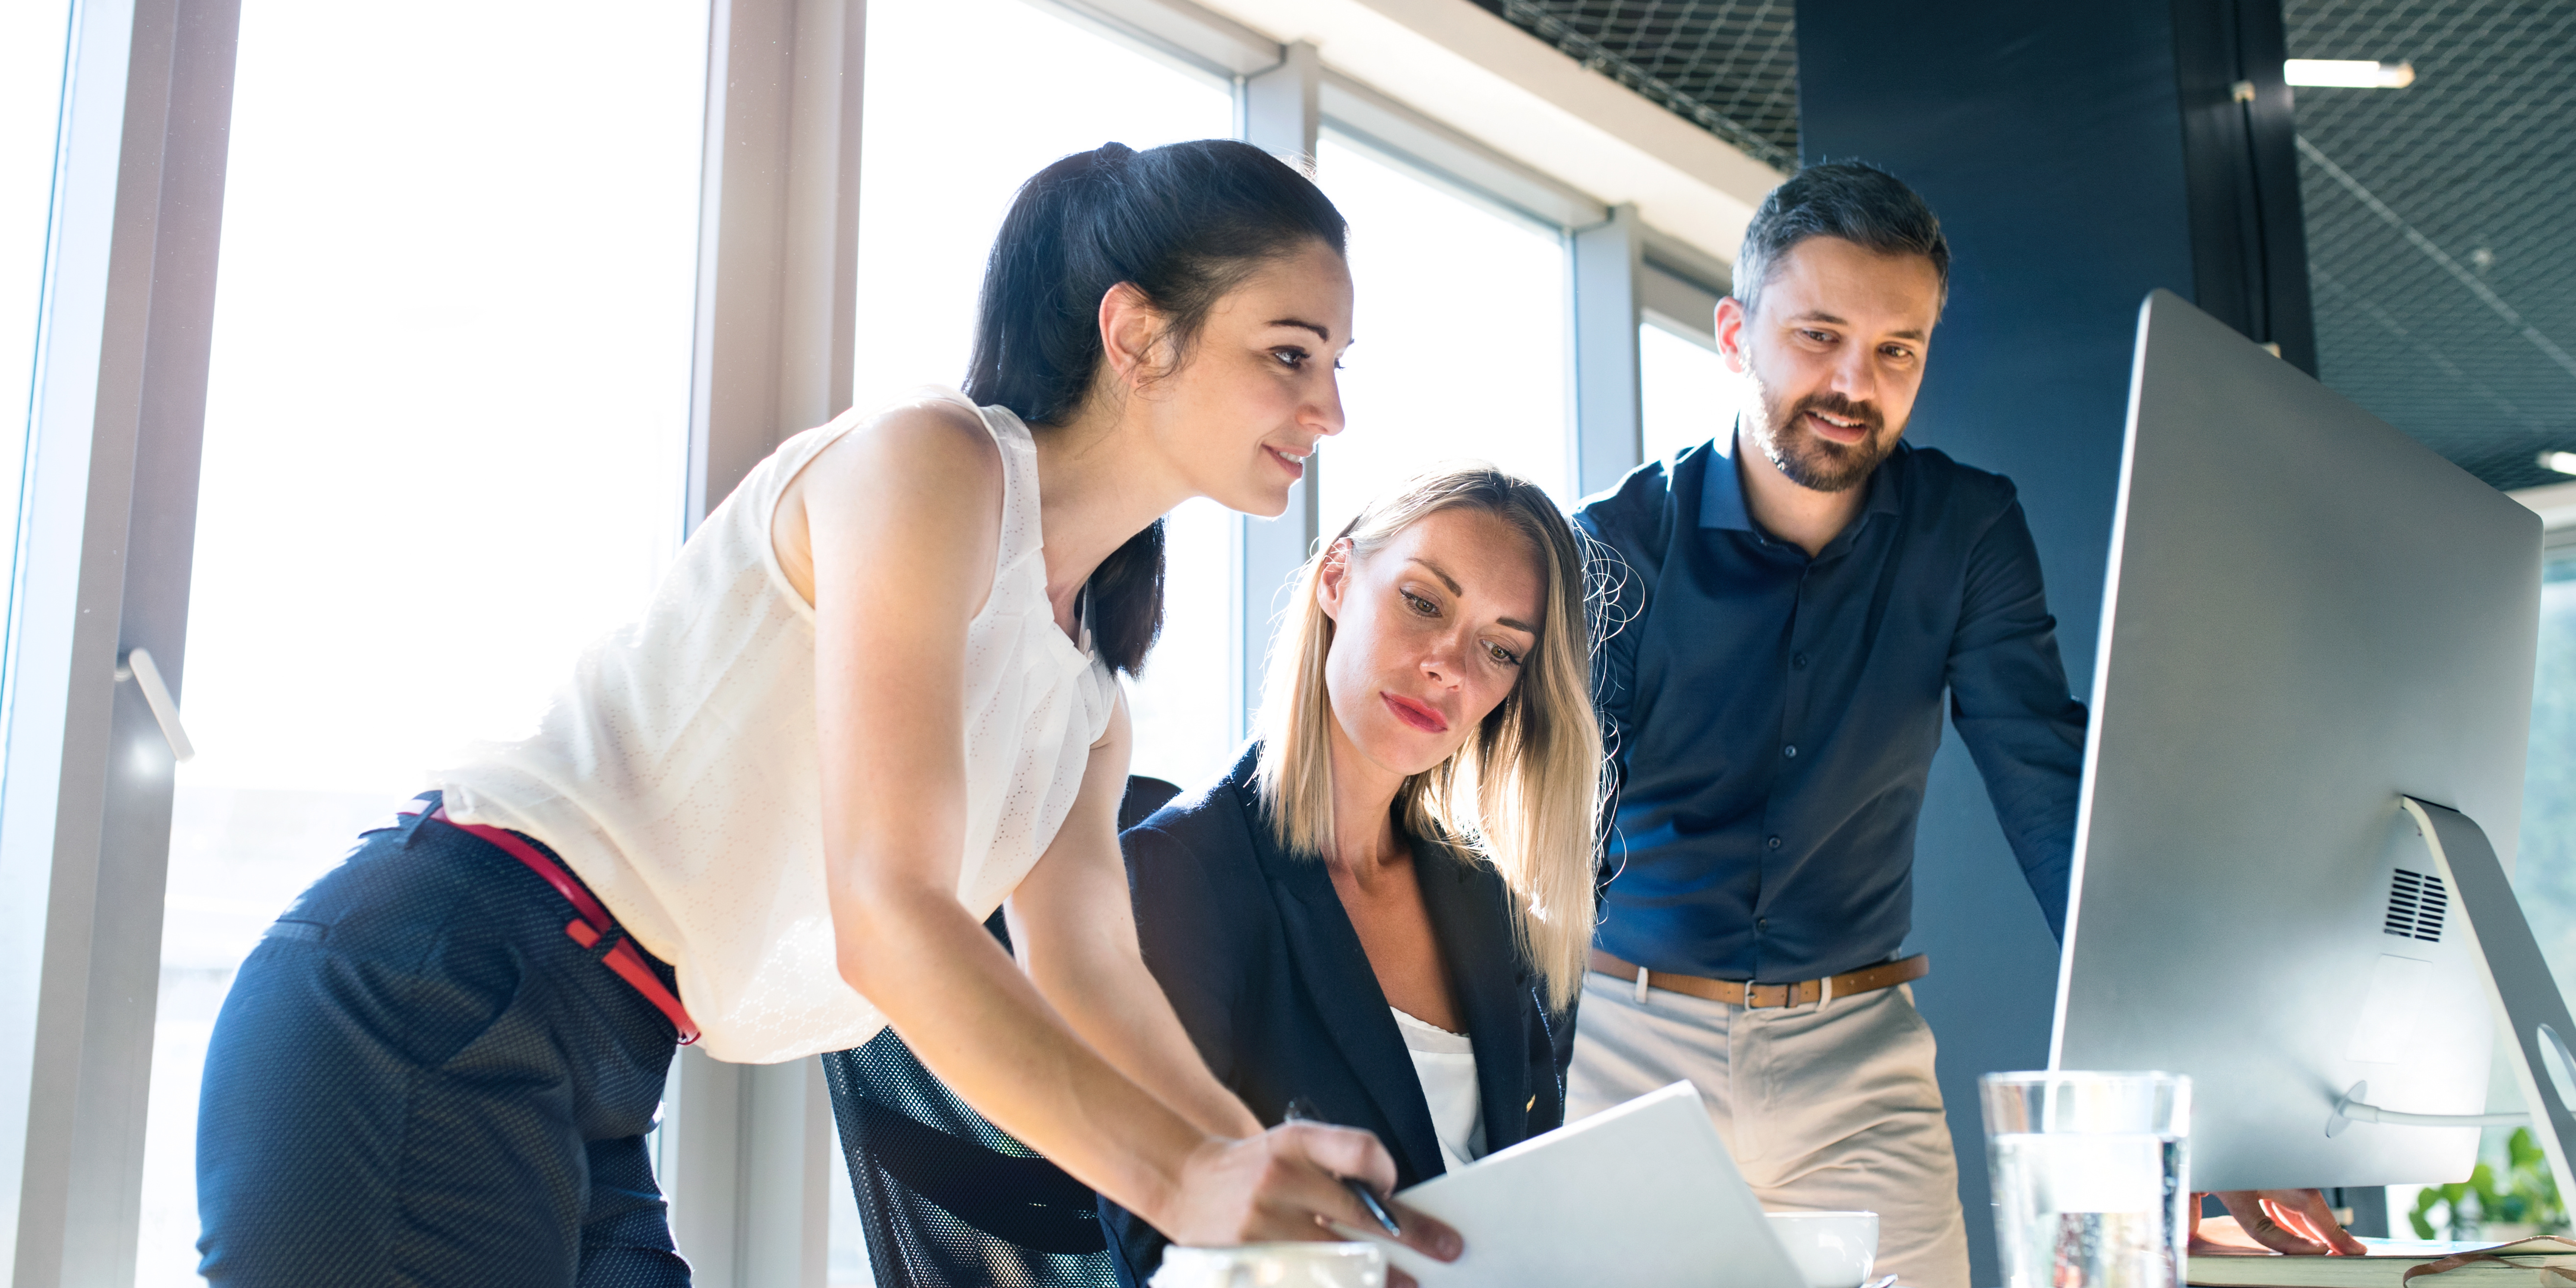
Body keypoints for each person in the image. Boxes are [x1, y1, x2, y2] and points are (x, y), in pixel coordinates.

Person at [191, 139, 1461, 1285]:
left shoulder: (1084, 699)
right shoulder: (931, 464)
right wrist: (1184, 1183)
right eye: (1289, 354)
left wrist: (1265, 1182)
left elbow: (1094, 982)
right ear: (1135, 334)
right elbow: (888, 916)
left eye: (1337, 366)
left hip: (608, 1059)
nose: (1331, 411)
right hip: (442, 983)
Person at [1565, 161, 2363, 1288]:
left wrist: (2209, 1089)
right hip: (1624, 1047)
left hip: (1858, 1055)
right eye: (1820, 336)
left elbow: (2051, 799)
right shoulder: (1609, 543)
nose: (1856, 383)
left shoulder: (1969, 529)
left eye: (1898, 350)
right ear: (1737, 333)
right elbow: (1554, 834)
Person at [1102, 465, 1604, 1285]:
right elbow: (1158, 1231)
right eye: (1424, 601)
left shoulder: (1492, 906)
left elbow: (1531, 1199)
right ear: (1337, 578)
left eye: (1501, 649)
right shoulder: (1181, 874)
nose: (1450, 665)